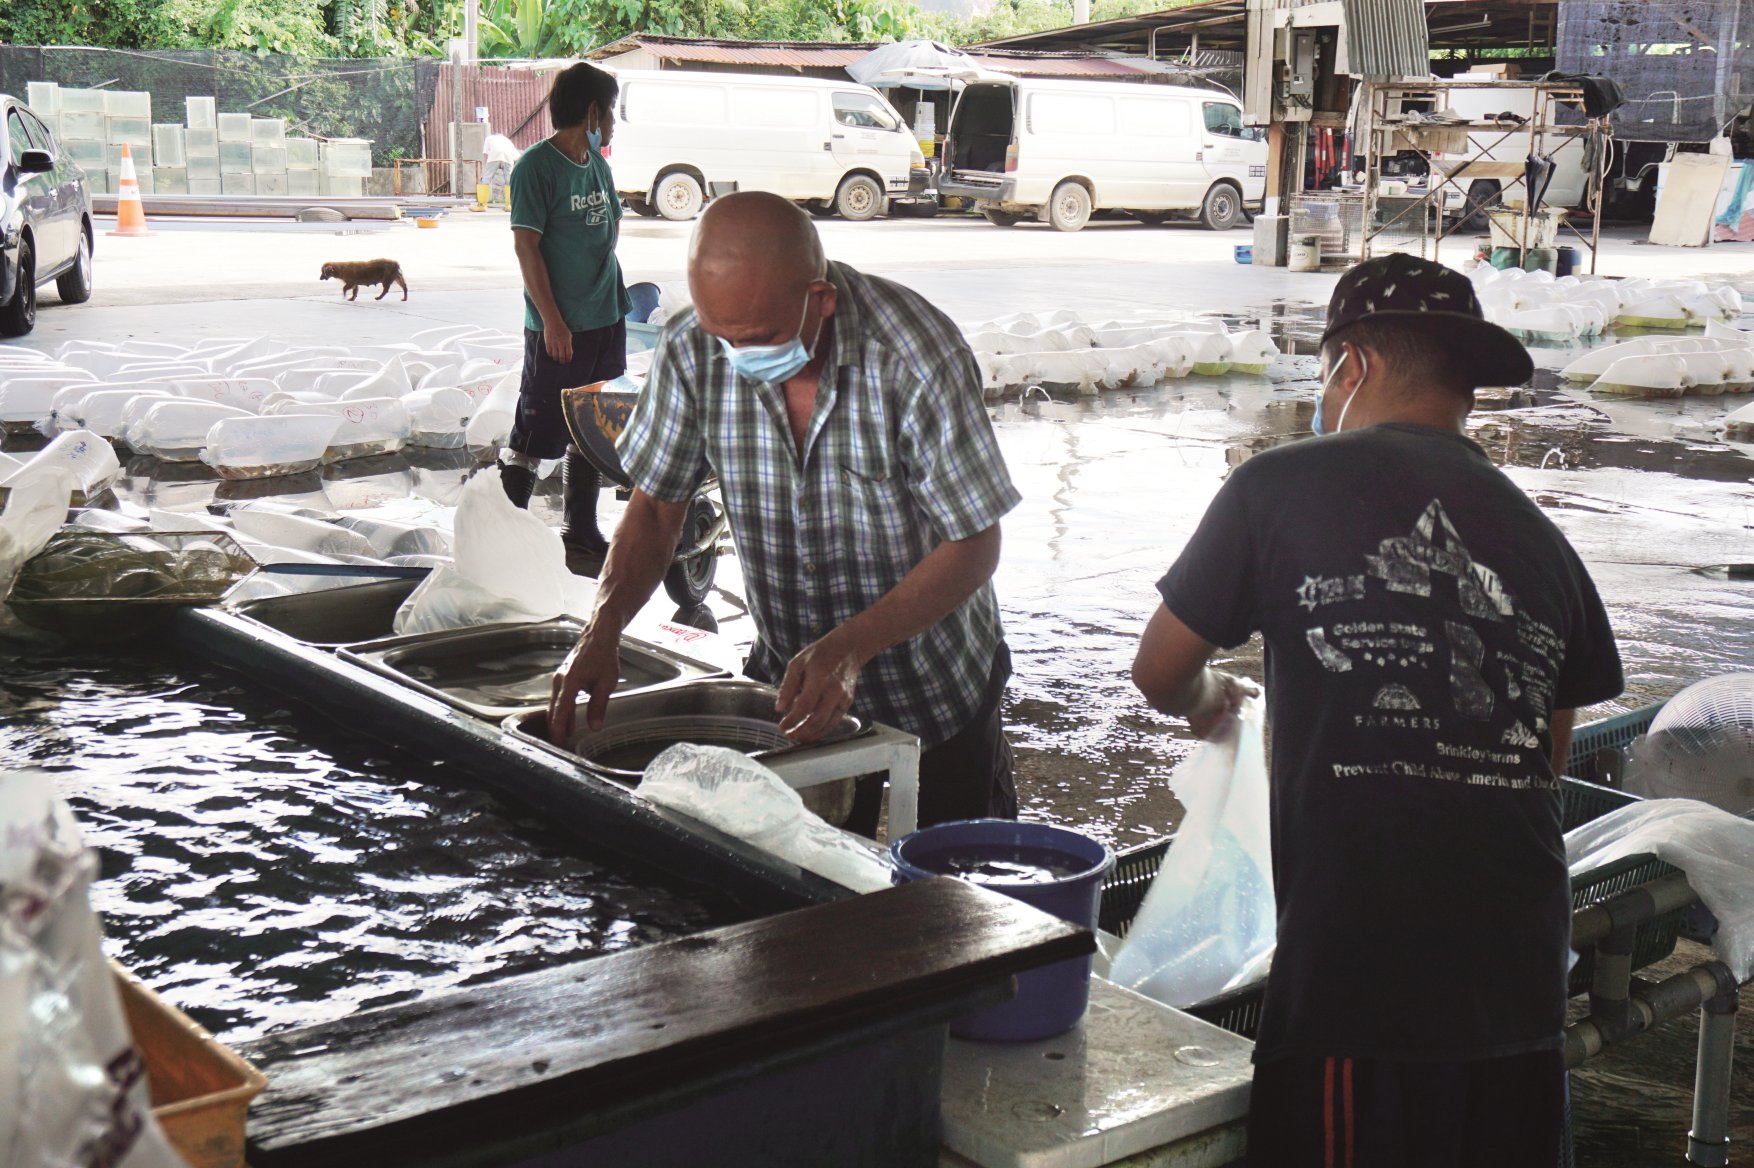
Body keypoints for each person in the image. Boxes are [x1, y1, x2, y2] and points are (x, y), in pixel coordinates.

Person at [1130, 254, 1623, 1167]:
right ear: (1466, 391)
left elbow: (1160, 669)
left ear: (1348, 370)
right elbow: (1544, 759)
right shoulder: (1549, 546)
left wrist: (1212, 702)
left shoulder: (1276, 485)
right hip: (1519, 979)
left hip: (1364, 976)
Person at [549, 192, 1021, 835]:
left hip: (938, 686)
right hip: (789, 686)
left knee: (957, 893)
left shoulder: (914, 354)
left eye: (761, 339)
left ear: (820, 300)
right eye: (724, 337)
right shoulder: (694, 349)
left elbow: (974, 542)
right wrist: (601, 631)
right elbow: (658, 508)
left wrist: (851, 649)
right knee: (800, 881)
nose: (739, 357)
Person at [502, 61, 630, 568]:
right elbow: (527, 249)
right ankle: (505, 533)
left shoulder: (597, 163)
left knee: (591, 428)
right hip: (560, 328)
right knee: (536, 433)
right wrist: (553, 319)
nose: (614, 122)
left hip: (605, 318)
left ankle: (580, 527)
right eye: (611, 111)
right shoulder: (535, 167)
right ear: (593, 110)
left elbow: (610, 230)